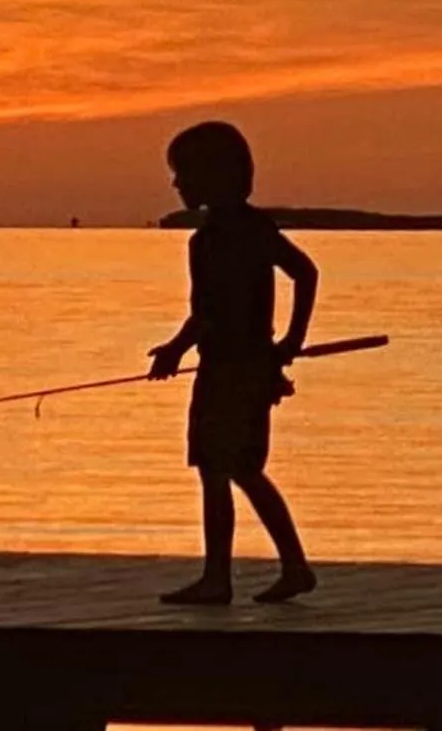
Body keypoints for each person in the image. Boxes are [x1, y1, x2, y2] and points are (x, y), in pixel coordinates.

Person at [149, 121, 319, 605]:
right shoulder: (252, 228)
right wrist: (287, 341)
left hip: (228, 373)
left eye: (183, 173)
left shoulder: (212, 240)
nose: (177, 184)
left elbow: (207, 313)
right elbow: (304, 272)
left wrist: (174, 350)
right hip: (252, 368)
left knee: (217, 469)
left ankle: (218, 578)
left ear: (213, 175)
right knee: (244, 469)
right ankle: (294, 566)